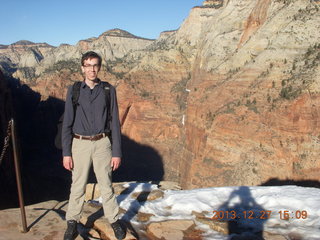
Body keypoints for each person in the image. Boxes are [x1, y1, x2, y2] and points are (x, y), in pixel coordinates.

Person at [61, 51, 126, 240]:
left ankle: (114, 221)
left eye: (95, 65)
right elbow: (67, 122)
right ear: (82, 68)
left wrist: (117, 152)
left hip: (102, 143)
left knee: (106, 185)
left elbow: (115, 123)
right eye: (88, 65)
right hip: (79, 144)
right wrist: (66, 152)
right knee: (78, 186)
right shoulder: (74, 90)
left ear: (99, 67)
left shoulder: (108, 90)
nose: (92, 69)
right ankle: (72, 222)